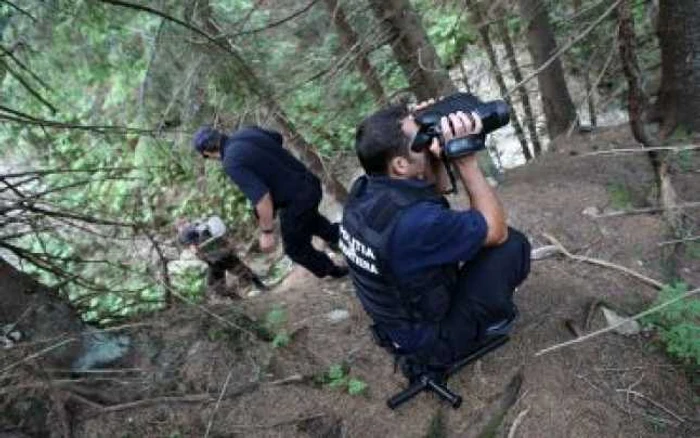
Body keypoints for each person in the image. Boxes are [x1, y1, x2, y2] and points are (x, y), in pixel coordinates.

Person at [340, 101, 531, 368]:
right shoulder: (416, 224)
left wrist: (429, 129)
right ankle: (483, 326)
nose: (429, 141)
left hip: (400, 328)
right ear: (400, 166)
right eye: (421, 139)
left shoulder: (363, 193)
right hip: (432, 343)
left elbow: (434, 190)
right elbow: (496, 231)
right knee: (512, 246)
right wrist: (466, 160)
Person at [192, 125, 348, 279]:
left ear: (207, 153)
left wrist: (267, 232)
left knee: (295, 248)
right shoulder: (247, 131)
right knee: (310, 222)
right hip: (309, 183)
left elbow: (262, 198)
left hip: (296, 199)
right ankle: (349, 241)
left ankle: (335, 270)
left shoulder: (231, 162)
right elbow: (277, 137)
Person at [177, 216, 267, 298]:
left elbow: (194, 249)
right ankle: (261, 286)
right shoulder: (201, 224)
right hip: (225, 252)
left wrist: (201, 257)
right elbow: (221, 235)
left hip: (214, 259)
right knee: (242, 270)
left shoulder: (184, 233)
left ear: (180, 227)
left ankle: (236, 299)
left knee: (215, 285)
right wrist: (230, 248)